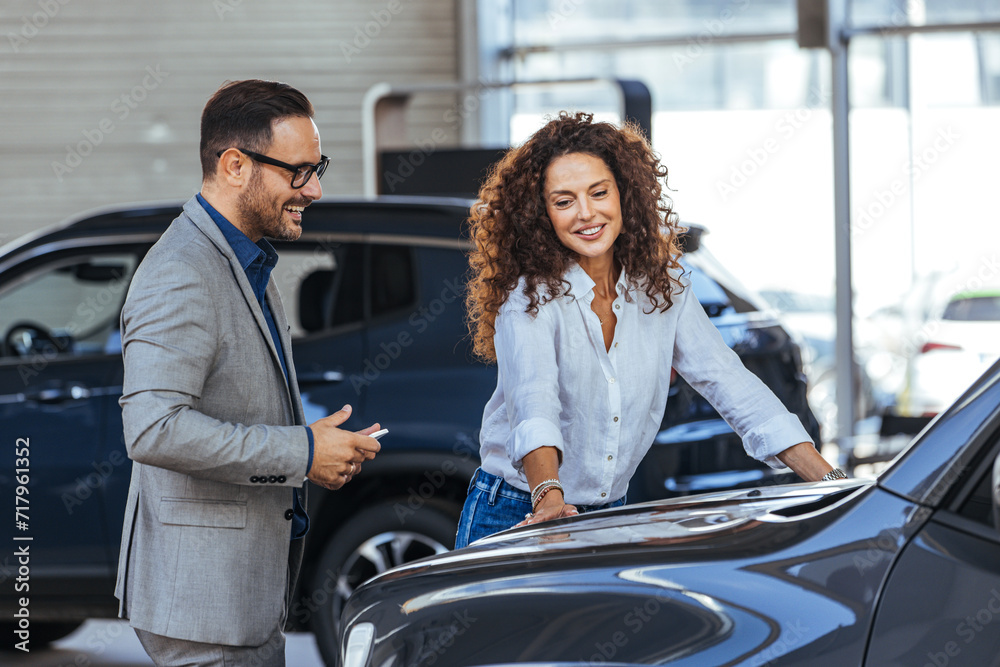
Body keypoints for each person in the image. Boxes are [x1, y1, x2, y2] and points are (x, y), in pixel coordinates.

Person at [455, 111, 843, 549]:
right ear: (541, 215)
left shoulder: (663, 285)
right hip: (518, 509)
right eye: (563, 202)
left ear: (625, 194)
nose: (586, 214)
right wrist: (548, 498)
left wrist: (832, 482)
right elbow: (534, 406)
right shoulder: (529, 298)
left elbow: (731, 385)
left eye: (598, 193)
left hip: (607, 515)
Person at [114, 79, 382, 666]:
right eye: (299, 171)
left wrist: (316, 445)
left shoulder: (244, 258)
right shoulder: (182, 272)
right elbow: (153, 428)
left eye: (318, 168)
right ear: (235, 165)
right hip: (205, 607)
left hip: (237, 600)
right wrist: (299, 452)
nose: (314, 189)